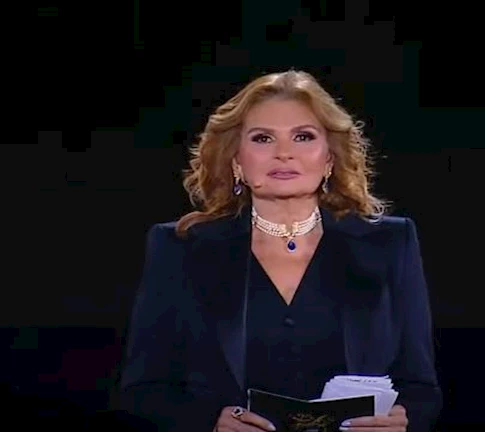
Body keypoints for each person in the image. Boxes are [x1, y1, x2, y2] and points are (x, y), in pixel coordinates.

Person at [119, 70, 442, 432]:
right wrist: (208, 421)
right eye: (263, 138)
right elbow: (142, 389)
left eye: (303, 137)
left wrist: (403, 418)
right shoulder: (180, 248)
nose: (284, 153)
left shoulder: (391, 243)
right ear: (237, 160)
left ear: (329, 158)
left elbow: (420, 386)